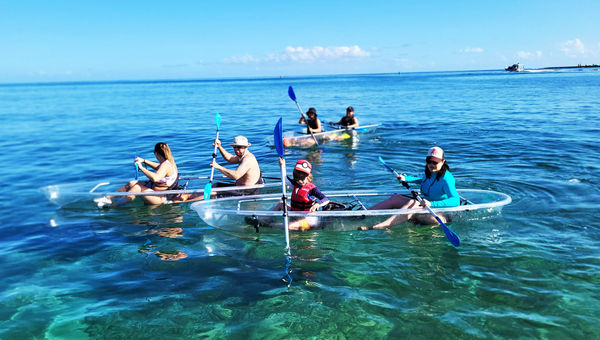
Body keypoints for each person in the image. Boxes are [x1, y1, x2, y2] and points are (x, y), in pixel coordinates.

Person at [363, 147, 460, 229]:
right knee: (395, 198)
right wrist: (406, 178)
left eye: (435, 162)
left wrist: (431, 204)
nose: (431, 164)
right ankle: (362, 215)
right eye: (429, 161)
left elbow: (455, 200)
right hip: (423, 207)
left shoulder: (447, 178)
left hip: (439, 215)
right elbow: (423, 180)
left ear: (443, 162)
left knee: (412, 203)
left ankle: (381, 226)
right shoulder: (430, 172)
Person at [173, 136, 262, 202]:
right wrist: (219, 147)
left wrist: (218, 166)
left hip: (247, 192)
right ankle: (189, 196)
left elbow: (236, 175)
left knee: (214, 191)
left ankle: (185, 201)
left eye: (239, 147)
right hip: (239, 188)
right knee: (215, 185)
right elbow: (230, 159)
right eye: (235, 147)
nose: (236, 150)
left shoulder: (248, 159)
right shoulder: (242, 156)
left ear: (246, 147)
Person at [95, 142, 179, 207]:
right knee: (132, 183)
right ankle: (108, 198)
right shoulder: (168, 163)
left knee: (137, 188)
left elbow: (155, 178)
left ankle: (112, 206)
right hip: (157, 192)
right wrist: (144, 160)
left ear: (156, 154)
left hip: (160, 197)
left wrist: (141, 167)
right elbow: (158, 167)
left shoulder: (166, 165)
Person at [255, 159, 329, 231]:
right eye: (297, 178)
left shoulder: (312, 189)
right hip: (295, 213)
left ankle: (267, 225)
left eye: (302, 178)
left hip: (308, 220)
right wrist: (282, 166)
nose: (299, 181)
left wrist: (317, 205)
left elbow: (326, 199)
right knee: (281, 204)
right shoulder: (296, 185)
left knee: (289, 226)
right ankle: (264, 219)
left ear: (307, 176)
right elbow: (285, 179)